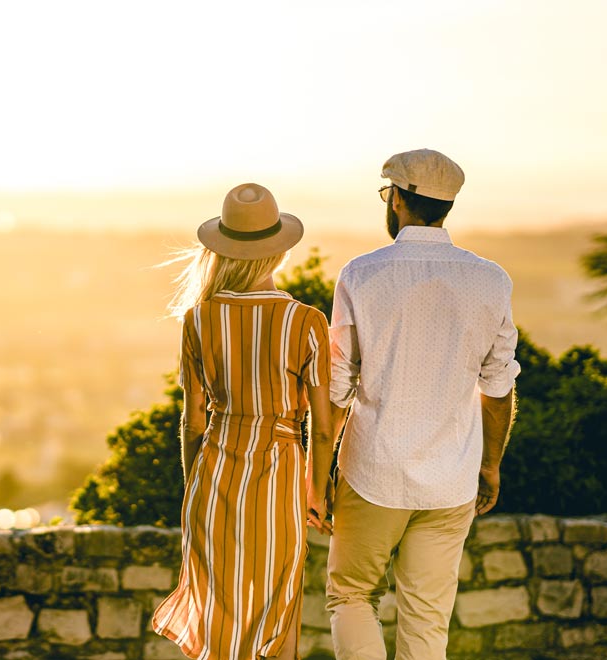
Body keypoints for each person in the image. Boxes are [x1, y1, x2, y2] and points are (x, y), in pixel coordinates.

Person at [318, 149, 520, 660]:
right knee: (428, 616)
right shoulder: (491, 279)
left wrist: (317, 470)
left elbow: (337, 386)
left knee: (352, 595)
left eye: (387, 194)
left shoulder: (360, 275)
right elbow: (498, 387)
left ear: (399, 200)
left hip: (373, 471)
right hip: (452, 476)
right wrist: (490, 464)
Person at [149, 183, 340, 660]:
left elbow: (193, 421)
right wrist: (319, 491)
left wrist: (196, 482)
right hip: (280, 480)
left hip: (213, 480)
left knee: (219, 625)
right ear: (279, 252)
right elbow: (321, 426)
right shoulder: (306, 321)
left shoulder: (197, 319)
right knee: (277, 616)